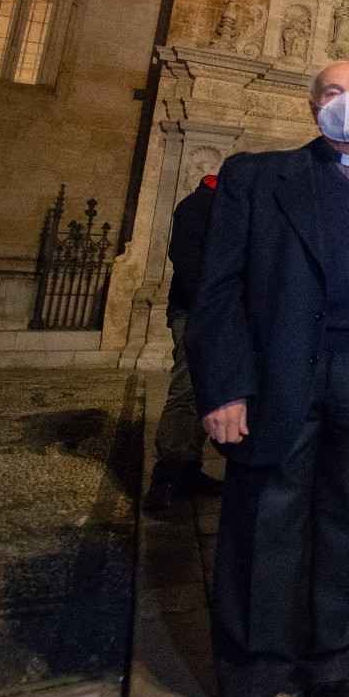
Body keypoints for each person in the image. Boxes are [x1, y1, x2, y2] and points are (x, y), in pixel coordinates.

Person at [187, 61, 349, 697]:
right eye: (333, 93)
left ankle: (331, 668)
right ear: (312, 104)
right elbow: (217, 287)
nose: (347, 104)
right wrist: (223, 386)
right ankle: (251, 682)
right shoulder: (259, 179)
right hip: (278, 374)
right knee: (264, 522)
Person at [143, 173, 224, 516]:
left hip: (215, 313)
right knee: (187, 388)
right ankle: (167, 473)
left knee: (205, 390)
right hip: (196, 312)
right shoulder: (198, 207)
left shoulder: (220, 207)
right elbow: (188, 263)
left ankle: (189, 466)